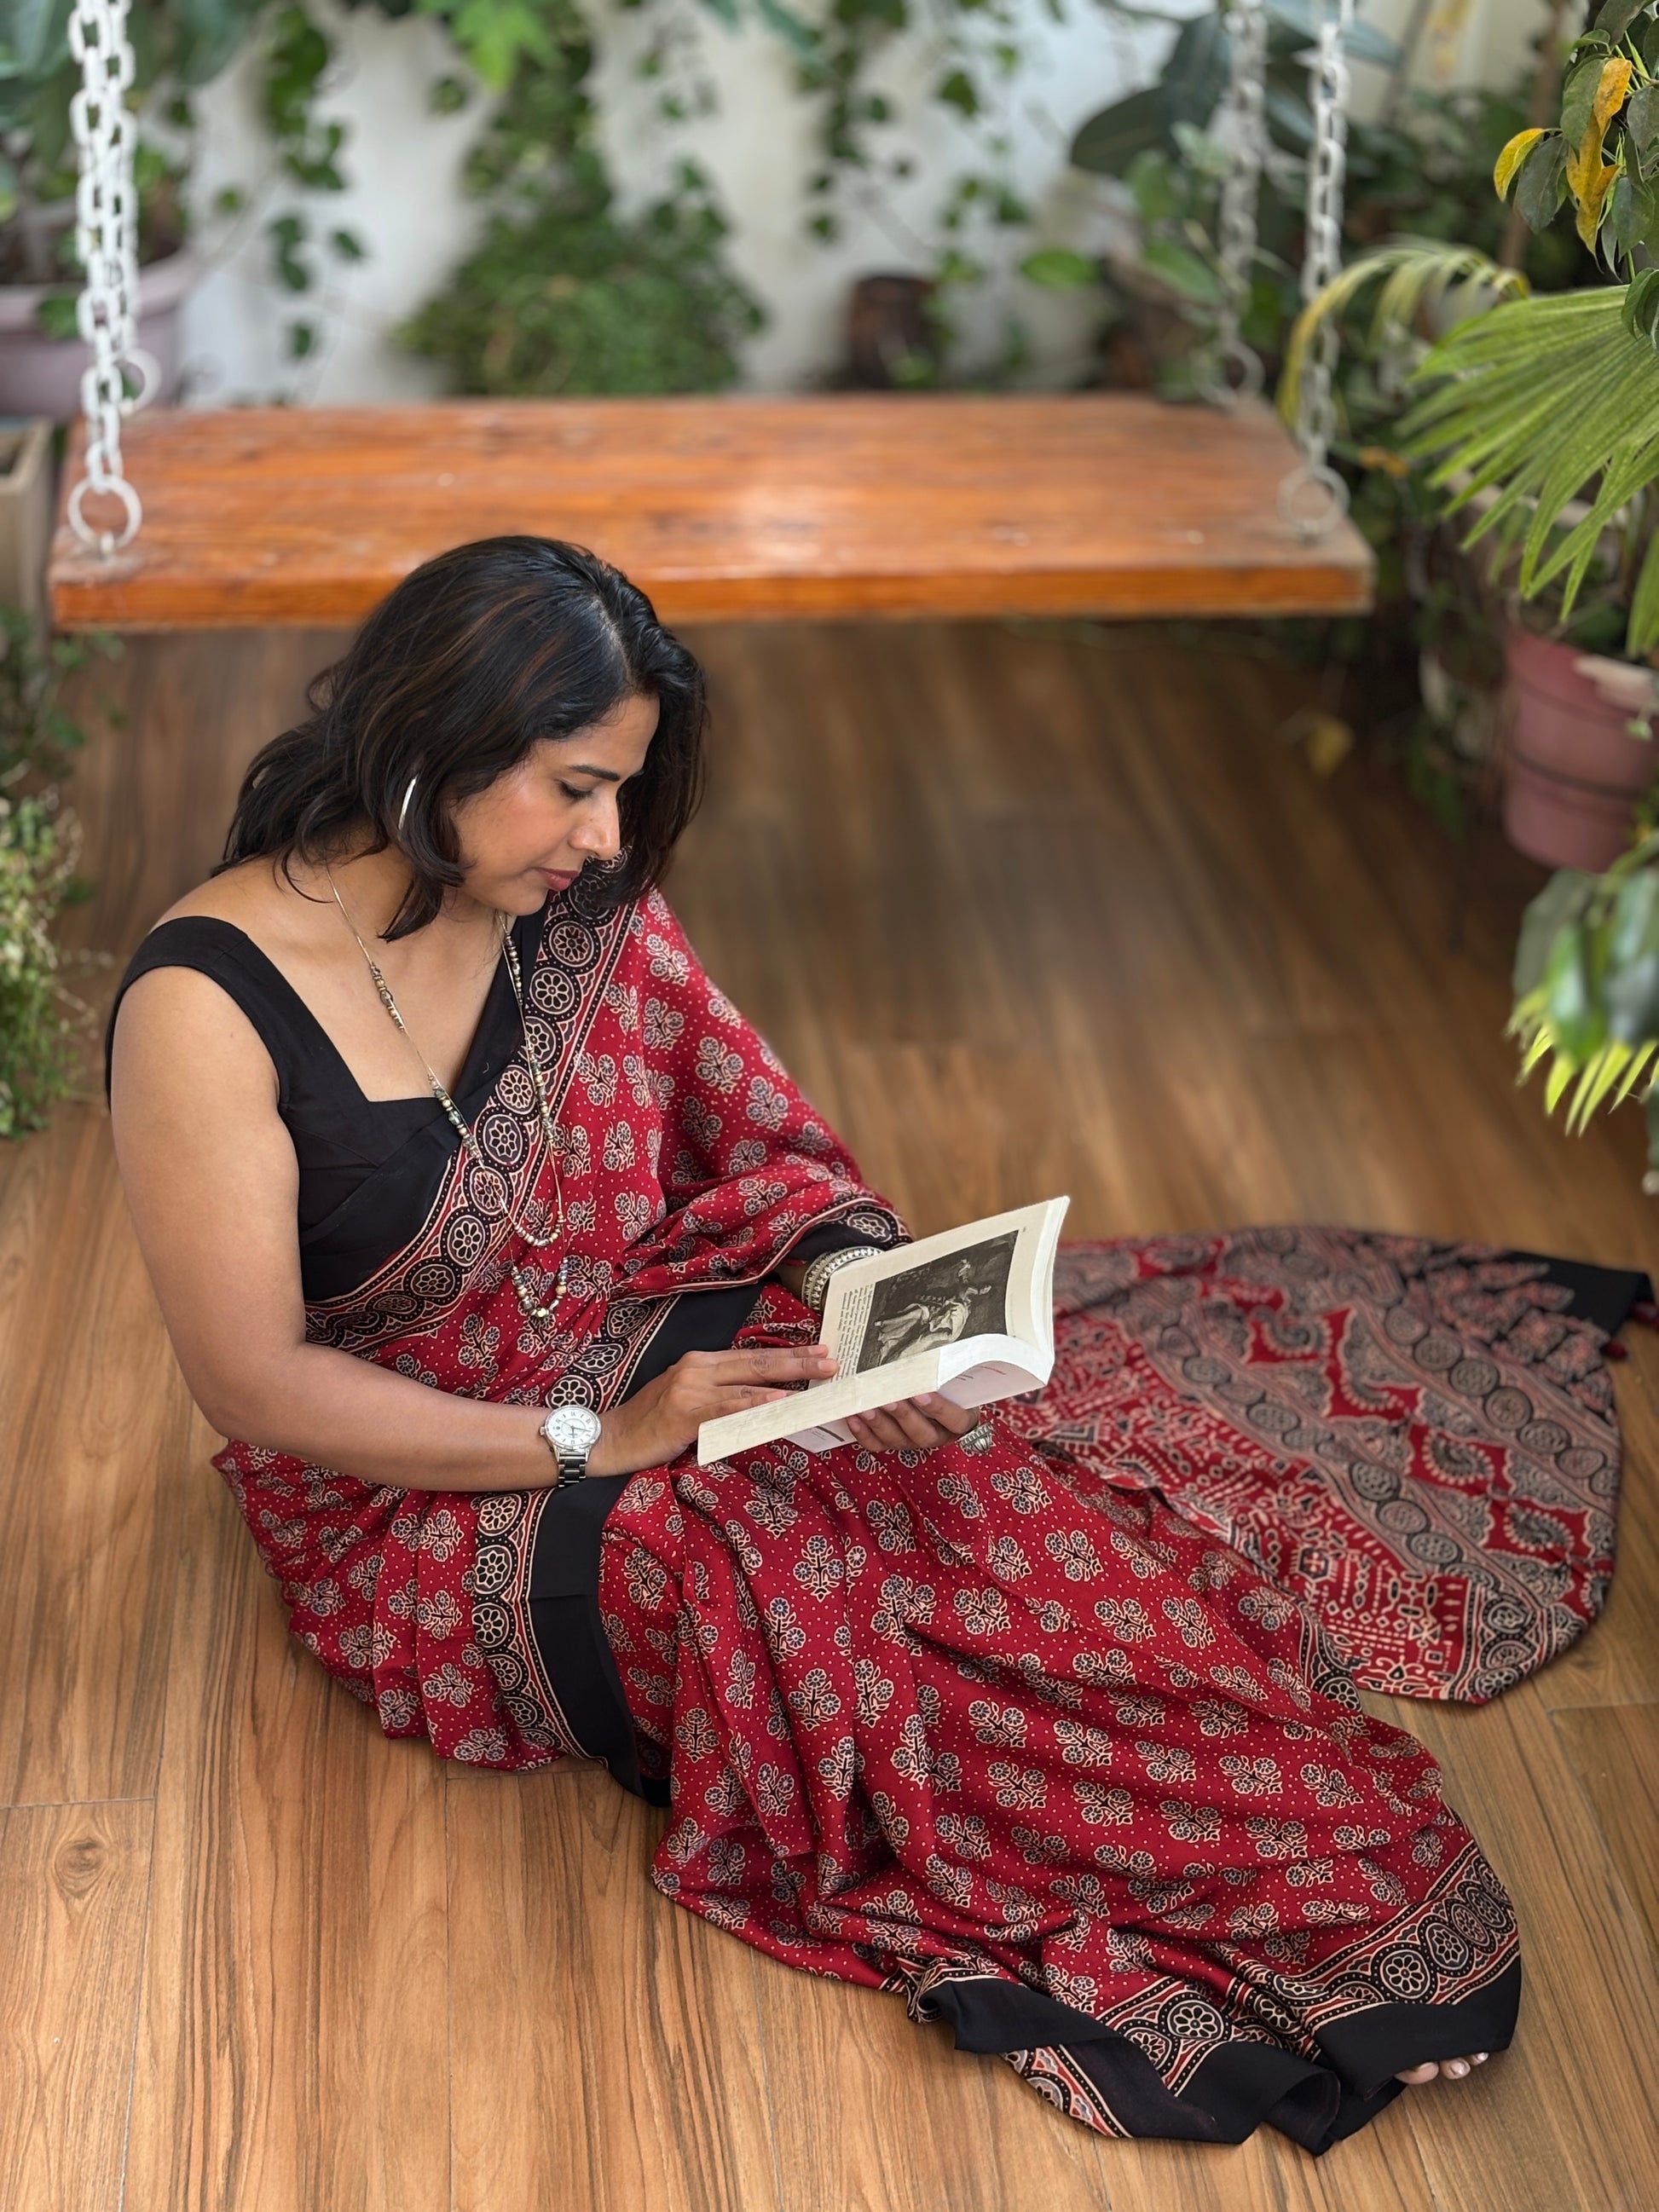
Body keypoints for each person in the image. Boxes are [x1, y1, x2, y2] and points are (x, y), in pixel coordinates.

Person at [110, 536, 1638, 2152]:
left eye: (618, 793)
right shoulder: (205, 1007)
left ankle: (1288, 1815)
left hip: (649, 1326)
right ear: (443, 736)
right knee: (769, 1593)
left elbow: (758, 1141)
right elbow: (253, 1384)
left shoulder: (572, 902)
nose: (606, 836)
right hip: (422, 1487)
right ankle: (1270, 1905)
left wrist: (870, 1319)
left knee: (977, 1492)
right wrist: (599, 1439)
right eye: (575, 788)